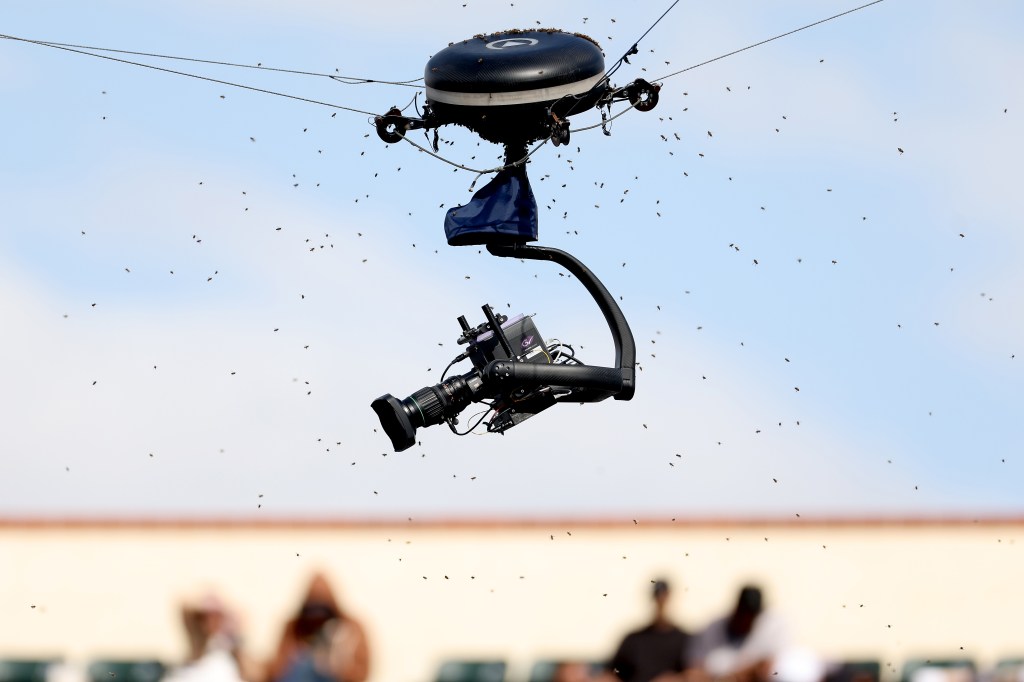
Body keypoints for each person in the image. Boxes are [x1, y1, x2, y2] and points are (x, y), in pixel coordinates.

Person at [265, 572, 370, 682]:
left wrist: (339, 666)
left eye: (322, 612)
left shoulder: (350, 629)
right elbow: (275, 669)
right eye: (312, 612)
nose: (317, 618)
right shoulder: (293, 628)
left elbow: (361, 671)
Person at [687, 585, 790, 682]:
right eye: (744, 614)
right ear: (737, 609)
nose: (746, 619)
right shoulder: (713, 628)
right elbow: (694, 669)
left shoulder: (771, 629)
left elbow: (767, 669)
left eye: (751, 616)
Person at [605, 579, 692, 682]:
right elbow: (612, 673)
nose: (660, 601)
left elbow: (694, 673)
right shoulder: (634, 640)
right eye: (658, 596)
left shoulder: (685, 640)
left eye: (663, 596)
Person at [163, 593, 254, 682]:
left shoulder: (221, 662)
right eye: (199, 619)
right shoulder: (183, 668)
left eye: (214, 617)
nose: (202, 625)